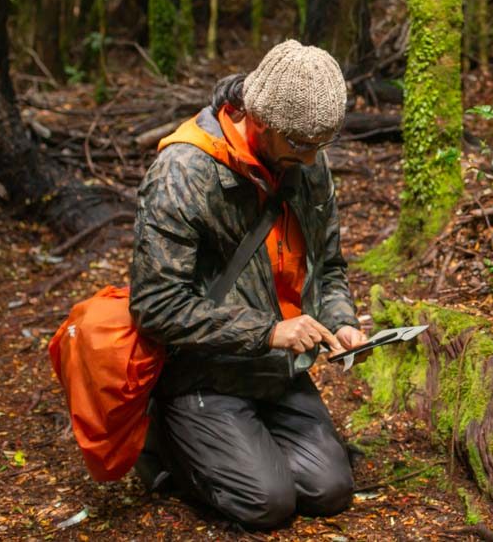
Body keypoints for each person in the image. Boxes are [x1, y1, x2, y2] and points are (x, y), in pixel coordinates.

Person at [129, 40, 368, 528]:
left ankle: (242, 449)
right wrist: (269, 332)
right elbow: (155, 305)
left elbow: (329, 264)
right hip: (203, 374)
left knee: (331, 489)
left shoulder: (306, 158)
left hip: (276, 372)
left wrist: (341, 323)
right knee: (268, 502)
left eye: (319, 146)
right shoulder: (184, 171)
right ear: (258, 119)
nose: (310, 160)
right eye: (300, 146)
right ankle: (165, 443)